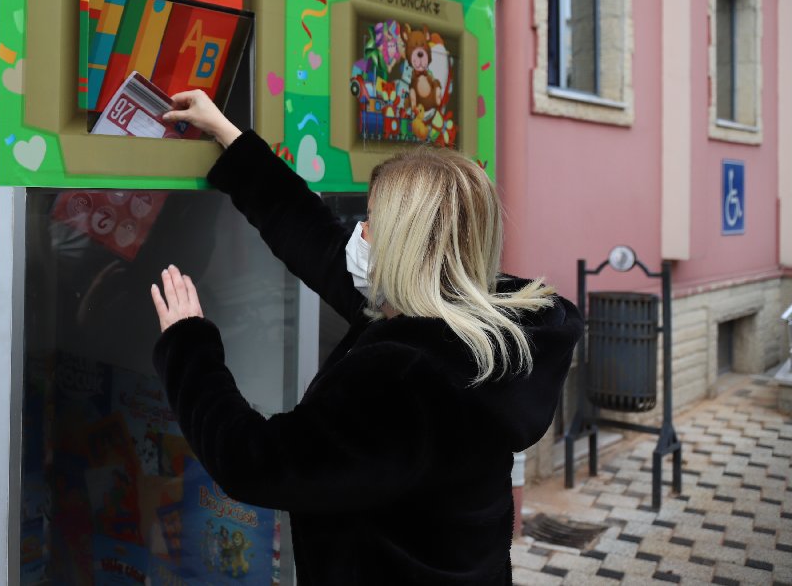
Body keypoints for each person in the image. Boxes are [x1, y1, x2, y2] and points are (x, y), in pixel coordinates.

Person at [148, 90, 582, 584]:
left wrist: (188, 346)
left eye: (372, 222)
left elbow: (255, 462)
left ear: (405, 246)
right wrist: (229, 136)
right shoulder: (477, 326)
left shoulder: (405, 383)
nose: (358, 230)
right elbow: (317, 241)